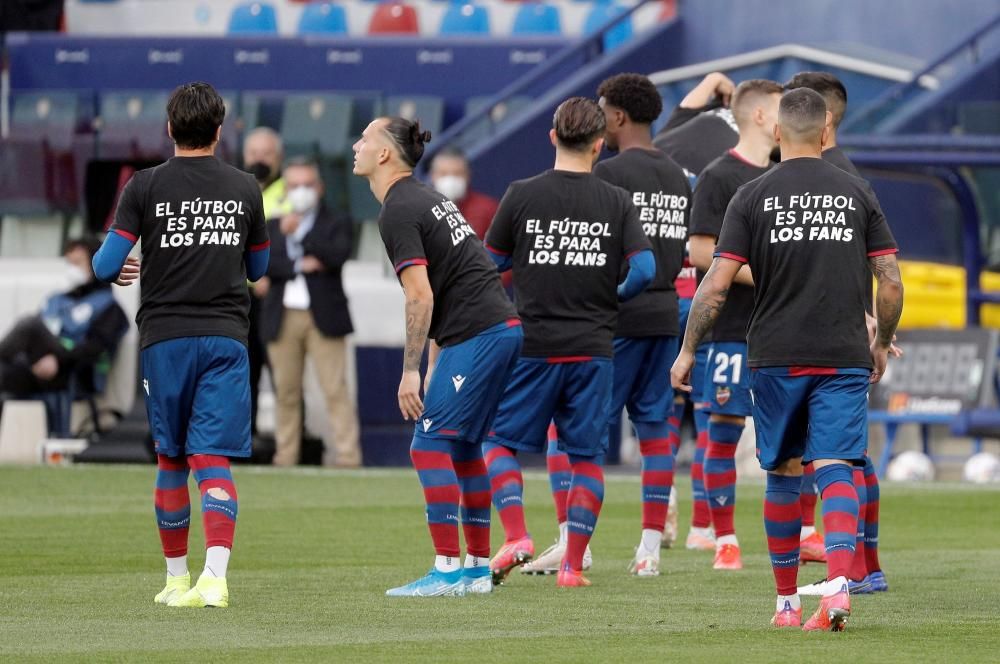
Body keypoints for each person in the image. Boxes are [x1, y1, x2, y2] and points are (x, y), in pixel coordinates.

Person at [671, 87, 904, 631]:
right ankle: (840, 588)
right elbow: (889, 283)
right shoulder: (857, 191)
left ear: (778, 133)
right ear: (826, 133)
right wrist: (880, 339)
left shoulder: (751, 196)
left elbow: (714, 286)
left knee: (782, 474)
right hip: (843, 353)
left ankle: (786, 603)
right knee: (837, 467)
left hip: (774, 355)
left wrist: (687, 350)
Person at [92, 82, 270, 609]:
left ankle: (175, 580)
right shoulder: (245, 188)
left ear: (170, 129)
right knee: (211, 458)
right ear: (220, 130)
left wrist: (134, 263)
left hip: (164, 338)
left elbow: (104, 265)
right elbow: (258, 270)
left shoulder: (143, 186)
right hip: (225, 337)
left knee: (171, 458)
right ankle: (213, 579)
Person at [482, 97, 654, 588]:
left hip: (533, 343)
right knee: (586, 459)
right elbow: (644, 270)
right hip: (594, 347)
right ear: (600, 146)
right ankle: (572, 567)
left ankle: (517, 535)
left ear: (552, 135)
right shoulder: (616, 200)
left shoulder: (521, 194)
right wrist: (611, 296)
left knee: (497, 442)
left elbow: (489, 264)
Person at [524, 75, 689, 578]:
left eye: (602, 109)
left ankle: (573, 544)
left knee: (569, 432)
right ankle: (649, 552)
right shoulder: (681, 177)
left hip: (614, 319)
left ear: (616, 117)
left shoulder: (609, 175)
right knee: (657, 433)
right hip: (665, 316)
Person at [353, 116, 523, 597]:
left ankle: (446, 570)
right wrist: (431, 364)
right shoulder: (425, 198)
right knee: (465, 447)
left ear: (385, 153)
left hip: (481, 334)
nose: (356, 145)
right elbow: (448, 287)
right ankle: (473, 571)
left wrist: (408, 371)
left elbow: (421, 297)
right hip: (496, 330)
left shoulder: (398, 209)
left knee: (427, 446)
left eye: (365, 138)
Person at [785, 71, 889, 593]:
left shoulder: (822, 180)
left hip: (815, 339)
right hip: (845, 335)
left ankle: (859, 568)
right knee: (846, 455)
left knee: (837, 458)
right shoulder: (853, 182)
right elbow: (880, 265)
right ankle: (863, 566)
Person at [687, 79, 783, 570]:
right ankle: (722, 538)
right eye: (783, 108)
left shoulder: (785, 174)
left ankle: (800, 535)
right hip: (731, 331)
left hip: (781, 329)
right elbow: (701, 251)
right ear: (763, 117)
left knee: (791, 438)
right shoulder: (718, 175)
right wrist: (768, 273)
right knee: (723, 433)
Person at [653, 72, 739, 550]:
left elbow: (695, 97)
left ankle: (661, 500)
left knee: (663, 413)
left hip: (668, 294)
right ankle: (704, 527)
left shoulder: (670, 137)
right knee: (713, 417)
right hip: (711, 296)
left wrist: (715, 81)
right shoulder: (752, 152)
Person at [254, 157, 361, 468]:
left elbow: (338, 254)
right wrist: (300, 263)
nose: (301, 191)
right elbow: (265, 264)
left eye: (308, 185)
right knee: (285, 392)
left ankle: (348, 457)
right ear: (286, 190)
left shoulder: (336, 221)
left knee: (334, 389)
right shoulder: (271, 225)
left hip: (324, 316)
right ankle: (286, 457)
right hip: (282, 315)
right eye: (295, 185)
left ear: (320, 188)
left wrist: (301, 236)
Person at [0, 238, 128, 433]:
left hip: (73, 372)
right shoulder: (55, 300)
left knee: (30, 324)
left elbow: (93, 350)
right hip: (37, 369)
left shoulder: (108, 307)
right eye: (70, 264)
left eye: (77, 263)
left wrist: (58, 361)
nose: (72, 269)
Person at [243, 127, 285, 443]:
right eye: (254, 153)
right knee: (243, 370)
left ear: (278, 157)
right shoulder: (235, 189)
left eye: (266, 153)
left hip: (276, 295)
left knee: (282, 371)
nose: (259, 160)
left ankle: (289, 442)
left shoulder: (290, 192)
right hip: (240, 296)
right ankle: (245, 435)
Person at [653, 72, 739, 180]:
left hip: (689, 184)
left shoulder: (759, 139)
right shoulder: (721, 105)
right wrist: (714, 79)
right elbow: (713, 80)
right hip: (652, 162)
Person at [429, 147, 500, 240]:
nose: (450, 180)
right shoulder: (420, 213)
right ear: (432, 176)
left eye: (457, 173)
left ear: (467, 175)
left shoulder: (488, 209)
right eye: (443, 173)